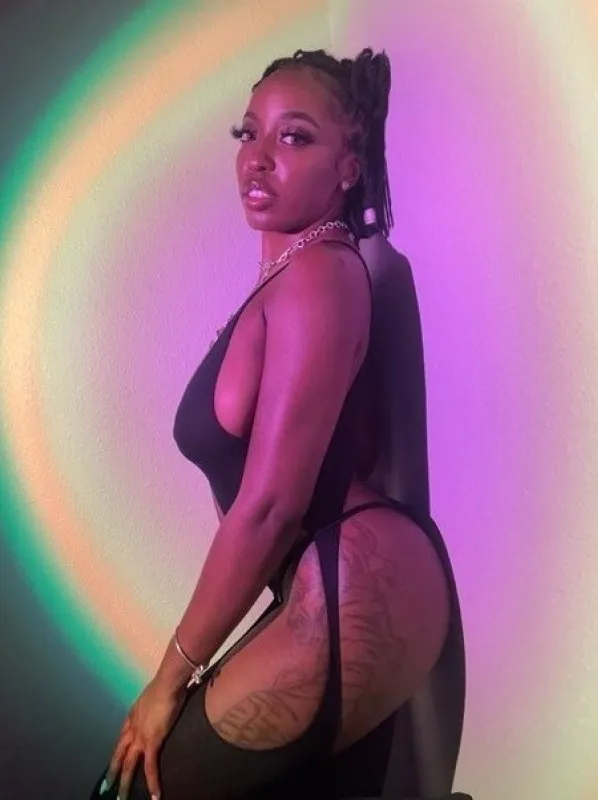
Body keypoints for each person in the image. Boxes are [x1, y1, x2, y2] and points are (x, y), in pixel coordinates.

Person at [88, 47, 468, 799]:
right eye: (248, 132)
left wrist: (168, 681)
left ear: (348, 167)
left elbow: (268, 506)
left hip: (357, 578)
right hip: (329, 580)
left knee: (130, 789)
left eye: (293, 137)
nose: (257, 158)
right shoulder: (289, 280)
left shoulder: (322, 276)